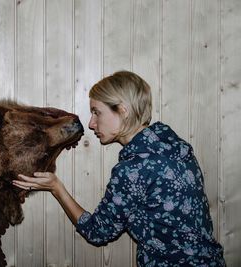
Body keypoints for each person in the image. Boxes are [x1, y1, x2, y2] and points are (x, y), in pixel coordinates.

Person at [13, 71, 225, 266]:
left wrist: (56, 188)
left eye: (97, 112)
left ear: (123, 110)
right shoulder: (177, 148)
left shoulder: (133, 169)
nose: (91, 123)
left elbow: (97, 232)